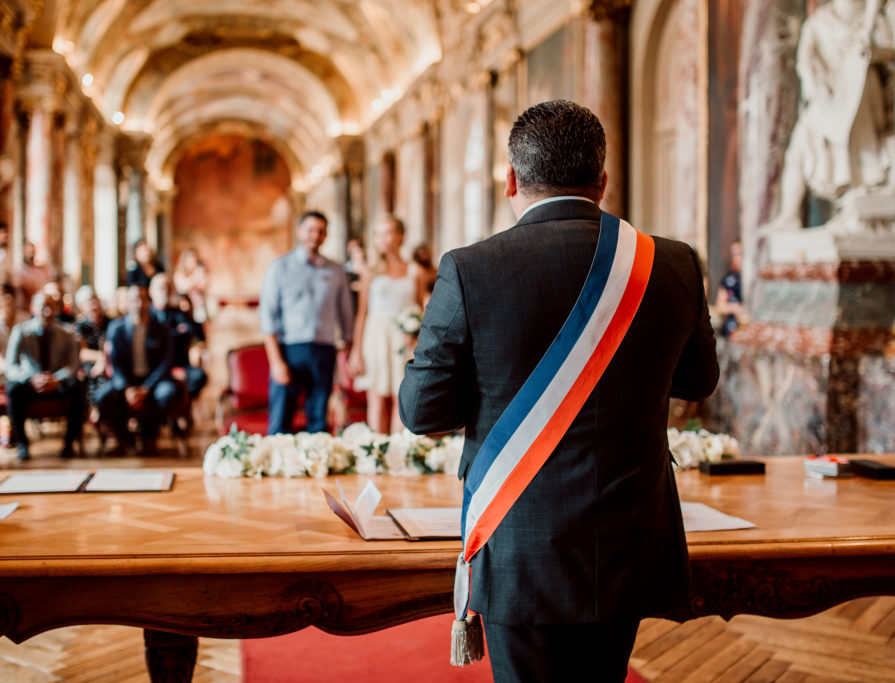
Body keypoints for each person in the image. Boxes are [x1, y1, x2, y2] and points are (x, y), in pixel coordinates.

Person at [398, 100, 719, 681]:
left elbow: (423, 411)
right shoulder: (672, 263)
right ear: (603, 180)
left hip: (519, 535)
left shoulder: (470, 268)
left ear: (511, 179)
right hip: (629, 533)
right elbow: (699, 381)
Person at [764, 0, 895, 232]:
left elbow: (892, 50)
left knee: (858, 149)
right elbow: (805, 62)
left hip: (862, 91)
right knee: (800, 144)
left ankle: (857, 206)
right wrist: (816, 84)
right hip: (830, 95)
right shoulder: (818, 22)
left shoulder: (872, 16)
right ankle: (790, 214)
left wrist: (871, 52)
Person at [259, 210, 354, 435]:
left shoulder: (336, 271)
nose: (315, 235)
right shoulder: (279, 267)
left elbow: (346, 313)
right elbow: (267, 316)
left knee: (319, 422)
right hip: (289, 350)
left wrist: (348, 350)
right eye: (311, 230)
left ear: (325, 235)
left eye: (321, 231)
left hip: (324, 350)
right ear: (300, 231)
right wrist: (276, 361)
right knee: (280, 421)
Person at [349, 215, 429, 435]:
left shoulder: (415, 271)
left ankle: (397, 449)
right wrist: (356, 351)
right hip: (376, 338)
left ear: (400, 236)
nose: (381, 239)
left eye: (387, 233)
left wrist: (415, 332)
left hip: (404, 340)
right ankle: (377, 449)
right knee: (375, 398)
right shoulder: (370, 272)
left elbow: (421, 310)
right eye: (377, 234)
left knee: (401, 396)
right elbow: (362, 313)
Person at [95, 285, 180, 454]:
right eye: (135, 300)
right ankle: (124, 439)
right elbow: (115, 363)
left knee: (167, 392)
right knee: (103, 396)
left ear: (149, 302)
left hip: (153, 380)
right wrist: (127, 389)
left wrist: (146, 389)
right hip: (126, 380)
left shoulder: (161, 328)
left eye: (143, 299)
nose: (139, 304)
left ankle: (149, 438)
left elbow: (166, 362)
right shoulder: (116, 328)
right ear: (128, 302)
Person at [5, 291, 84, 460]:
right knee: (12, 389)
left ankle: (69, 444)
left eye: (51, 307)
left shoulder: (66, 332)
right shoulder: (21, 331)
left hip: (56, 382)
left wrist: (56, 379)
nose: (47, 312)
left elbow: (73, 365)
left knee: (77, 387)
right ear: (33, 308)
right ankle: (23, 445)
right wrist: (31, 379)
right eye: (43, 307)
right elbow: (11, 366)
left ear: (56, 309)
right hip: (30, 383)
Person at [149, 273, 207, 402]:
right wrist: (175, 332)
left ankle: (183, 405)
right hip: (154, 367)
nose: (165, 291)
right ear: (151, 291)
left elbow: (190, 331)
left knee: (199, 376)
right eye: (161, 287)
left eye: (168, 288)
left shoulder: (178, 313)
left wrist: (163, 336)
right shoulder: (147, 315)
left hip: (178, 362)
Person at [73, 285, 110, 408]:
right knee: (92, 373)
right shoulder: (80, 326)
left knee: (104, 372)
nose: (94, 304)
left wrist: (104, 360)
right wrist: (101, 357)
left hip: (109, 361)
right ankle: (95, 409)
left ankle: (99, 410)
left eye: (95, 299)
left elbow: (111, 346)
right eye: (89, 301)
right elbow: (82, 352)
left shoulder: (109, 322)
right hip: (89, 363)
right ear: (82, 307)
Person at [715, 239, 745, 338]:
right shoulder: (729, 279)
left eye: (739, 253)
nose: (737, 257)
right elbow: (720, 306)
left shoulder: (755, 279)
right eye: (734, 254)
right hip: (733, 329)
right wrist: (735, 308)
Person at [172, 247, 210, 323]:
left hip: (198, 307)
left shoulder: (200, 272)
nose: (193, 264)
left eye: (194, 261)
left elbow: (204, 285)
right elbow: (183, 288)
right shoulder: (179, 274)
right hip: (183, 309)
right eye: (190, 261)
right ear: (184, 262)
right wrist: (194, 278)